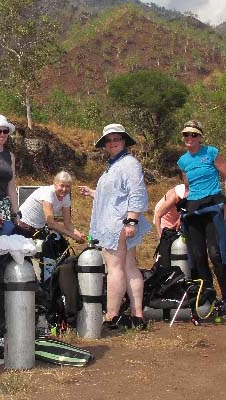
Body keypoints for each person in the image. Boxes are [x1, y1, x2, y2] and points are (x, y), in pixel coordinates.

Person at [78, 123, 151, 331]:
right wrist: (94, 192)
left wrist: (131, 220)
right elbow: (117, 195)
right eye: (108, 140)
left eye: (116, 139)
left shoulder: (129, 163)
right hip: (116, 221)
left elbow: (136, 192)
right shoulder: (114, 165)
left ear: (124, 141)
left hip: (118, 223)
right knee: (128, 266)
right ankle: (137, 315)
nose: (112, 143)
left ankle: (112, 315)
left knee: (115, 268)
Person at [177, 120, 226, 314]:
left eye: (194, 135)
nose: (189, 138)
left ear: (200, 137)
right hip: (193, 209)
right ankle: (210, 296)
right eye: (186, 134)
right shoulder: (183, 161)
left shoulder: (211, 152)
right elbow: (187, 187)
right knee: (198, 256)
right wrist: (182, 211)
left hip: (212, 205)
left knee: (215, 253)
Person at [17, 171, 85, 243]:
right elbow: (51, 223)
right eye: (62, 185)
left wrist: (78, 234)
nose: (64, 189)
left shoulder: (66, 196)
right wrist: (72, 235)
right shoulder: (48, 193)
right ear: (55, 184)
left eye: (67, 186)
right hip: (24, 224)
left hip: (39, 226)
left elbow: (67, 222)